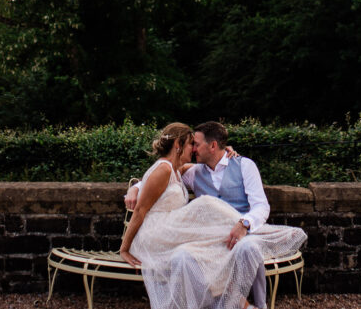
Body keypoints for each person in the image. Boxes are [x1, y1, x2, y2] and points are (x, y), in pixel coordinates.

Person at [122, 122, 304, 309]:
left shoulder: (244, 165)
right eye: (191, 144)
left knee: (247, 247)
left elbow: (261, 206)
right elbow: (159, 178)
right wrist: (135, 189)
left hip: (243, 231)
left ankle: (258, 304)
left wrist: (245, 224)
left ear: (213, 146)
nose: (193, 149)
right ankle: (235, 305)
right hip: (203, 238)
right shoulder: (194, 172)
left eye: (197, 144)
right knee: (186, 249)